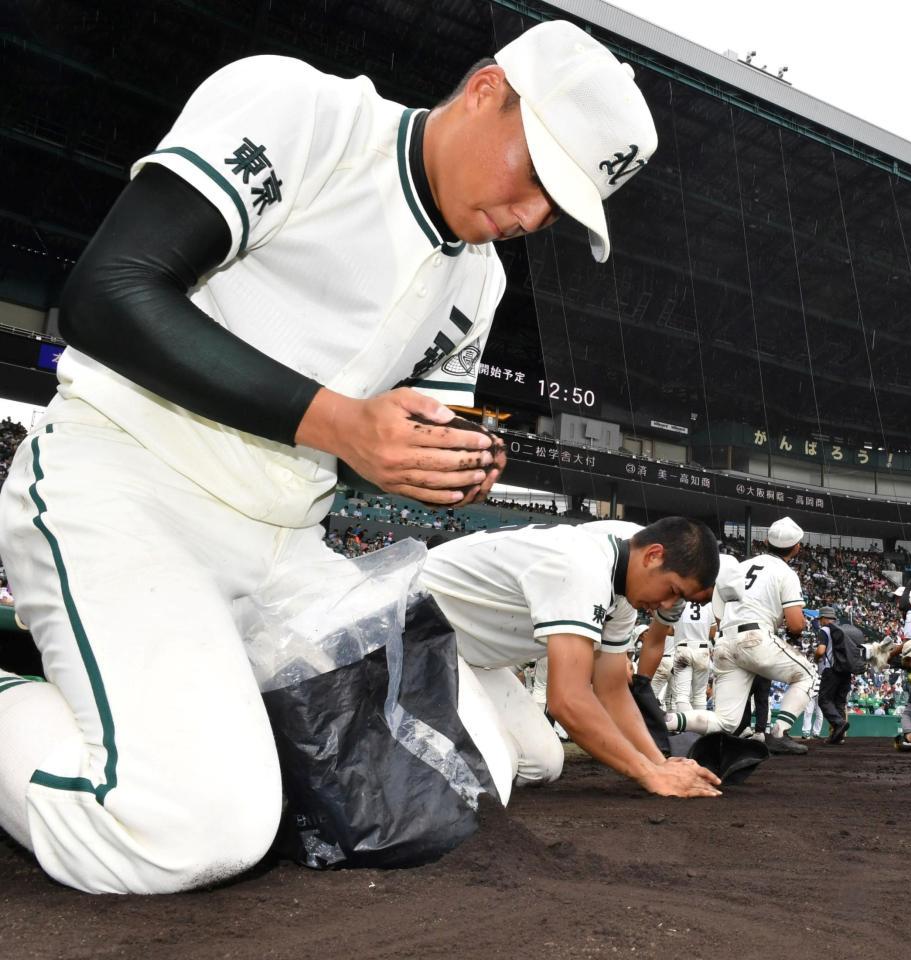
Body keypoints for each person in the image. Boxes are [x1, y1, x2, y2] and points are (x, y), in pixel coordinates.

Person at [0, 20, 659, 895]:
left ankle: (161, 702)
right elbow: (107, 295)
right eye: (537, 174)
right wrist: (343, 425)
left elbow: (382, 440)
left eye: (559, 208)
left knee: (471, 777)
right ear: (487, 91)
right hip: (130, 485)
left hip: (284, 544)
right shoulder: (304, 110)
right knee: (193, 832)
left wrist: (440, 461)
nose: (533, 215)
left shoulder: (481, 276)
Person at [419, 517, 723, 801]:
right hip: (409, 629)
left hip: (464, 651)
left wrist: (660, 763)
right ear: (653, 555)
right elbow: (568, 700)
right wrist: (648, 774)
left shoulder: (622, 592)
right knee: (495, 769)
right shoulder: (583, 566)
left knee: (542, 763)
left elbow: (612, 689)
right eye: (672, 590)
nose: (667, 605)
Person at [664, 517, 816, 755]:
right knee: (808, 675)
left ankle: (667, 722)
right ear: (797, 548)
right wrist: (796, 627)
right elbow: (796, 624)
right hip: (756, 637)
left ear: (765, 541)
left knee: (726, 721)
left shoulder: (741, 566)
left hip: (725, 641)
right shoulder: (786, 573)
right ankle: (778, 733)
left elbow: (717, 607)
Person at [669, 599, 716, 714]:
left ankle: (686, 726)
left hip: (683, 648)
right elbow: (712, 633)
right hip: (702, 649)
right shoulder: (709, 605)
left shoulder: (679, 602)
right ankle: (698, 729)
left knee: (682, 694)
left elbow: (669, 630)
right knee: (700, 695)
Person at [814, 607, 851, 744]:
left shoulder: (825, 630)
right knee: (839, 702)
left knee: (824, 700)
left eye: (820, 619)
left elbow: (821, 650)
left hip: (831, 669)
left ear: (824, 618)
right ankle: (838, 736)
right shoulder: (845, 629)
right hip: (847, 670)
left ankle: (838, 723)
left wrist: (815, 657)